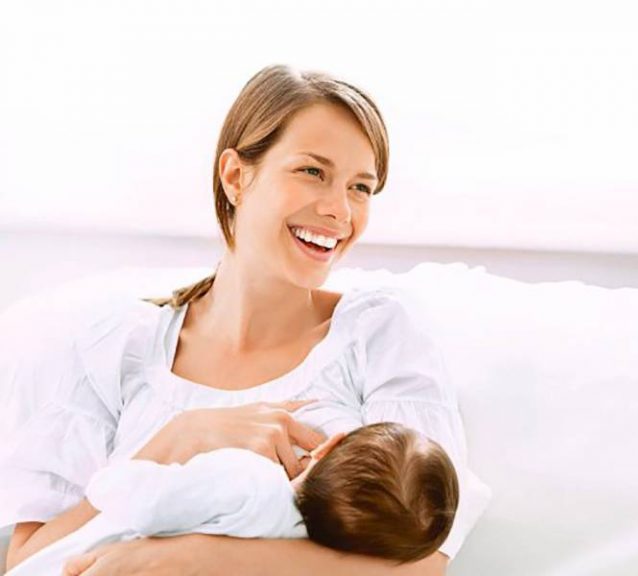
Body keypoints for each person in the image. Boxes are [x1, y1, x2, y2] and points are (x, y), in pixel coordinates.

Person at [1, 64, 491, 576]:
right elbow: (28, 562)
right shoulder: (115, 348)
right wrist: (175, 441)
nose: (340, 211)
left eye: (360, 188)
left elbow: (421, 562)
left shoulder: (379, 333)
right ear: (236, 177)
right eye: (313, 172)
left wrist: (195, 559)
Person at [7, 422, 459, 576]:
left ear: (329, 444)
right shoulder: (290, 550)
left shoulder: (249, 481)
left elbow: (148, 503)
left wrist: (115, 478)